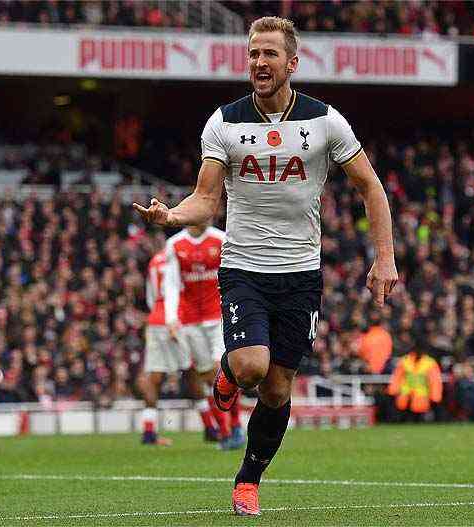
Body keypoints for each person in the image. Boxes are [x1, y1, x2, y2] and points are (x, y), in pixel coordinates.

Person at [133, 16, 397, 516]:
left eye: (270, 53)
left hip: (301, 276)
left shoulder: (325, 121)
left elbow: (371, 188)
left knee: (277, 389)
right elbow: (206, 200)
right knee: (253, 367)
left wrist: (384, 258)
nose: (259, 62)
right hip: (244, 268)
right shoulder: (225, 123)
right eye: (253, 53)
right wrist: (171, 214)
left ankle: (248, 480)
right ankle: (230, 378)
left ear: (291, 63)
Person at [163, 223, 245, 451]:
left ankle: (236, 425)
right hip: (190, 322)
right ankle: (225, 432)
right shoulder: (175, 245)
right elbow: (170, 284)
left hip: (219, 316)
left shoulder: (221, 239)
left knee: (223, 369)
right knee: (208, 378)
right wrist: (171, 318)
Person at [139, 248, 185, 446]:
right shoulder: (183, 256)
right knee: (193, 370)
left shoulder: (154, 261)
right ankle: (212, 427)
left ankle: (149, 432)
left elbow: (150, 296)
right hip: (178, 316)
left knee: (154, 375)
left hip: (156, 318)